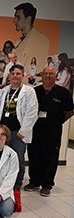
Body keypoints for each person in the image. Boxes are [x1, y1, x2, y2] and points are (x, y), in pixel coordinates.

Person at [0, 64, 38, 212]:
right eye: (13, 74)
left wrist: (23, 131)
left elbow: (32, 112)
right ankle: (3, 181)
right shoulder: (4, 91)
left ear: (23, 75)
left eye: (18, 74)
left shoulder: (29, 92)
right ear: (9, 75)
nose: (15, 76)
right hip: (3, 133)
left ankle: (17, 184)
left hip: (18, 132)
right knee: (3, 157)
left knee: (18, 159)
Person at [25, 66, 74, 196]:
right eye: (45, 73)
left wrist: (58, 121)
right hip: (35, 129)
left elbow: (69, 112)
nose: (47, 76)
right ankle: (34, 181)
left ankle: (47, 184)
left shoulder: (63, 93)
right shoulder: (34, 91)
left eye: (51, 74)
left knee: (50, 157)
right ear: (41, 75)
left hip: (53, 130)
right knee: (34, 155)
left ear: (56, 75)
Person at [12, 2, 49, 71]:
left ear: (28, 19)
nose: (14, 21)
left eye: (18, 18)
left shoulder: (41, 40)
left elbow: (39, 70)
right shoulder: (21, 39)